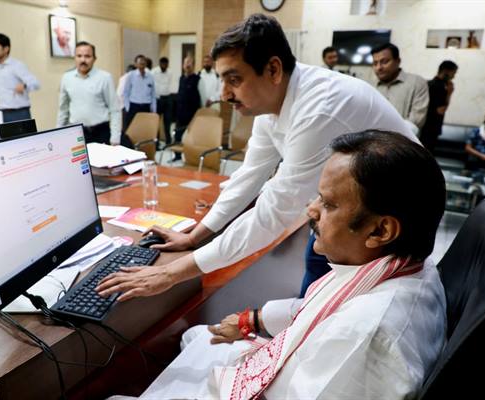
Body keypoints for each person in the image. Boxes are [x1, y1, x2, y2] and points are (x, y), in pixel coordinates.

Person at [95, 14, 417, 304]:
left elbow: (272, 213)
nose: (224, 94)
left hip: (391, 219)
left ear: (273, 69)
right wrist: (195, 236)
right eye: (222, 80)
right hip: (351, 211)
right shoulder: (271, 105)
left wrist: (171, 273)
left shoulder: (318, 109)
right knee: (313, 298)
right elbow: (249, 175)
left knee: (338, 310)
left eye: (234, 80)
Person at [117, 131, 447, 400]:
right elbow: (319, 311)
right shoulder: (407, 265)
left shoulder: (365, 335)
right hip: (293, 370)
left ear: (380, 231)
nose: (311, 209)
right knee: (197, 336)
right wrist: (253, 319)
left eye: (328, 204)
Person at [57, 41, 121, 145]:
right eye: (79, 56)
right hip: (76, 133)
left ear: (94, 58)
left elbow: (115, 110)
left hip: (101, 132)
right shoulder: (66, 78)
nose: (83, 60)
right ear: (74, 58)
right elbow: (63, 109)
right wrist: (58, 135)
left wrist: (115, 137)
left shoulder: (105, 78)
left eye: (87, 56)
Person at [371, 43, 429, 135]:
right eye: (375, 63)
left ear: (398, 61)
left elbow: (415, 121)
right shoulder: (370, 86)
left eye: (384, 62)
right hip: (371, 140)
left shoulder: (417, 83)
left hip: (404, 140)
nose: (379, 67)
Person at [0, 33, 40, 122]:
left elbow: (36, 83)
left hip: (19, 113)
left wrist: (24, 86)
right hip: (1, 113)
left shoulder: (17, 65)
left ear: (6, 49)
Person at [419, 60, 458, 152]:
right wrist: (449, 93)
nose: (454, 76)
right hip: (431, 127)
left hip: (424, 126)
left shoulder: (428, 83)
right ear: (446, 71)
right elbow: (441, 110)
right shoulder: (440, 87)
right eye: (453, 73)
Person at [170, 55, 201, 161]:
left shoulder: (198, 79)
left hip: (193, 114)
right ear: (183, 65)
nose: (187, 65)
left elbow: (202, 97)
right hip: (181, 113)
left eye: (189, 63)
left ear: (193, 65)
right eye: (185, 63)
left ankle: (194, 158)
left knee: (193, 138)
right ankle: (177, 156)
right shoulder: (181, 78)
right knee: (177, 135)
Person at [122, 54, 157, 136]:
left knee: (145, 129)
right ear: (136, 64)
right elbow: (126, 92)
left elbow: (153, 94)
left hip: (146, 107)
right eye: (140, 63)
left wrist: (154, 109)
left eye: (144, 63)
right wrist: (128, 107)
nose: (142, 65)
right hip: (134, 106)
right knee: (131, 130)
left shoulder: (150, 76)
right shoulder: (131, 75)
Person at [152, 57, 174, 144]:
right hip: (158, 99)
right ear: (160, 64)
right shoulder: (154, 72)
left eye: (166, 64)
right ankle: (156, 142)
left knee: (167, 121)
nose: (164, 66)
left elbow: (171, 84)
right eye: (163, 64)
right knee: (156, 121)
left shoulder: (170, 72)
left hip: (168, 98)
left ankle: (168, 141)